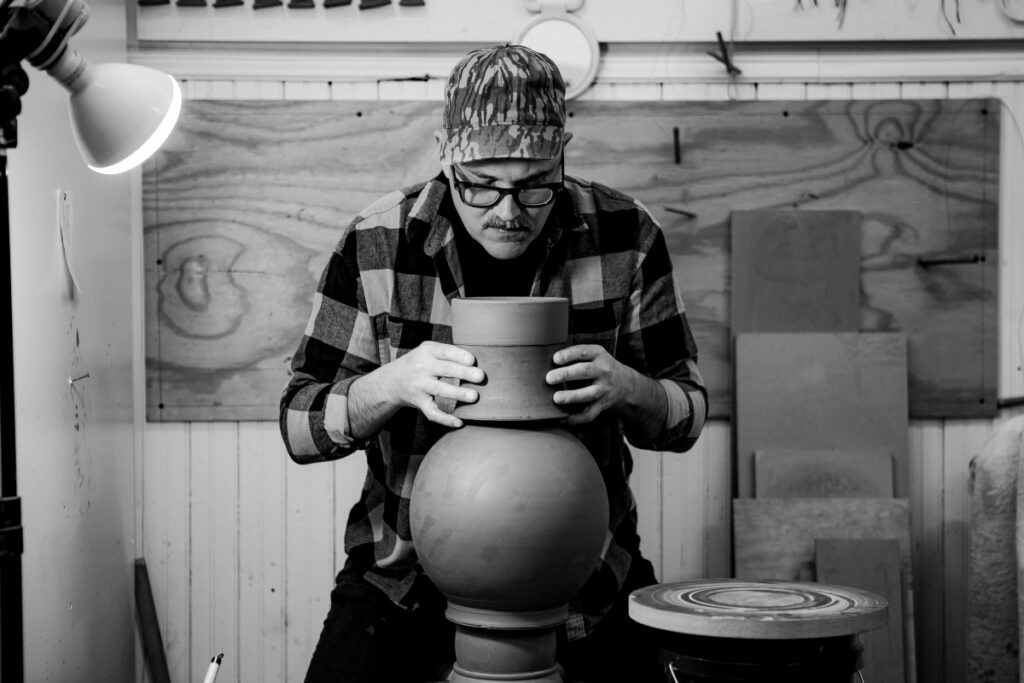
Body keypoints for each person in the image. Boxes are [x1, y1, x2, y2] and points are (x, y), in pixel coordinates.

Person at [280, 43, 707, 683]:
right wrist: (389, 385)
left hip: (586, 575)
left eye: (535, 186)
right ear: (445, 153)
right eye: (482, 186)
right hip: (403, 576)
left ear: (563, 153)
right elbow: (296, 427)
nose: (508, 212)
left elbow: (689, 414)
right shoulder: (377, 241)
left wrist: (629, 388)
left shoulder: (626, 234)